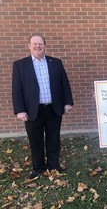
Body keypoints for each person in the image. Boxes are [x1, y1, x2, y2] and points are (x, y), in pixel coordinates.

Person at [12, 34, 74, 179]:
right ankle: (38, 167)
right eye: (34, 44)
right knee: (35, 140)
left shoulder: (56, 63)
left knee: (54, 138)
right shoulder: (20, 65)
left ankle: (53, 165)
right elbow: (17, 89)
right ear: (29, 46)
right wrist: (20, 110)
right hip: (32, 110)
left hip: (53, 108)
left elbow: (64, 83)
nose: (38, 46)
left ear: (45, 46)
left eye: (40, 44)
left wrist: (67, 102)